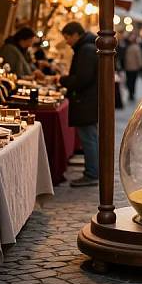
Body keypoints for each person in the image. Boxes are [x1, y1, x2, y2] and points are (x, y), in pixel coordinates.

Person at [56, 22, 98, 187]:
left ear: (75, 35)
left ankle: (91, 173)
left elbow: (83, 78)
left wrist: (63, 80)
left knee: (88, 138)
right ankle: (93, 171)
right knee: (91, 137)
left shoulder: (86, 49)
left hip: (85, 100)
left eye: (67, 37)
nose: (66, 41)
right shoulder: (87, 47)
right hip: (88, 100)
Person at [124, 34, 142, 101]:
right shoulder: (137, 47)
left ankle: (130, 93)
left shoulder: (128, 47)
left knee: (129, 80)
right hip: (134, 67)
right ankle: (131, 93)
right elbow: (139, 58)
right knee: (133, 81)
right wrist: (141, 66)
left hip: (128, 67)